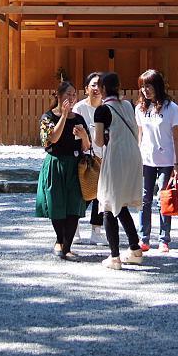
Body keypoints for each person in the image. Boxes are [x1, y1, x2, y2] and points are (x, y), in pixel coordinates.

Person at [93, 71, 144, 269]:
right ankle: (135, 248)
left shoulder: (102, 110)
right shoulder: (128, 105)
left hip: (116, 157)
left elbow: (98, 141)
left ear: (103, 88)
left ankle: (114, 257)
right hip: (133, 156)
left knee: (107, 204)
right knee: (120, 203)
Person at [35, 80, 91, 261]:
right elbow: (52, 139)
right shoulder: (48, 117)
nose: (72, 98)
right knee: (56, 203)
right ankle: (60, 240)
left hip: (75, 165)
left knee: (74, 205)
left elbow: (86, 147)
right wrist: (64, 116)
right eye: (68, 94)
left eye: (74, 94)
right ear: (58, 96)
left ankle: (67, 247)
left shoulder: (79, 119)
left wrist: (84, 136)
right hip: (56, 164)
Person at [135, 69, 178, 252]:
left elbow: (177, 138)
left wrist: (177, 164)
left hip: (167, 160)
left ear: (157, 86)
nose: (145, 90)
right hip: (146, 159)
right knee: (144, 199)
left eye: (148, 86)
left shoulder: (172, 108)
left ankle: (164, 239)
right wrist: (136, 157)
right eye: (142, 87)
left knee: (163, 198)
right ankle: (144, 238)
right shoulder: (140, 109)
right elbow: (140, 135)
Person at [72, 71, 107, 246]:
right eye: (93, 85)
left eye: (100, 85)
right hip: (84, 157)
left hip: (104, 157)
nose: (96, 88)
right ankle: (74, 228)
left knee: (100, 195)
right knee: (81, 193)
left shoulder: (107, 108)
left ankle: (96, 231)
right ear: (86, 88)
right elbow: (75, 133)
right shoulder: (79, 108)